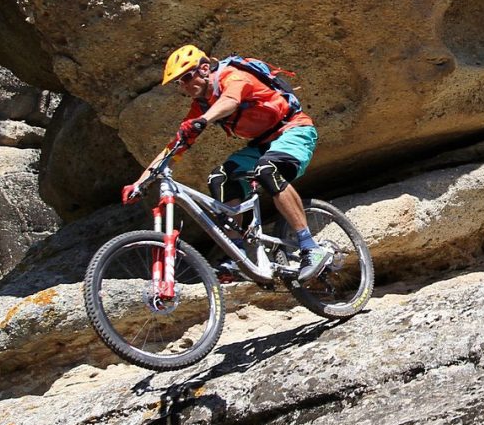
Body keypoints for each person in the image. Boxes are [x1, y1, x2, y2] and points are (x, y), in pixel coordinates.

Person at [123, 44, 332, 281]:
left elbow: (231, 101)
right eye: (178, 83)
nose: (183, 86)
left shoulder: (233, 75)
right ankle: (237, 253)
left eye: (187, 77)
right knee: (220, 178)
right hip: (262, 144)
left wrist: (203, 120)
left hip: (294, 130)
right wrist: (140, 182)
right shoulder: (201, 105)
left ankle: (310, 247)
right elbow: (175, 147)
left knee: (267, 170)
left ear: (204, 69)